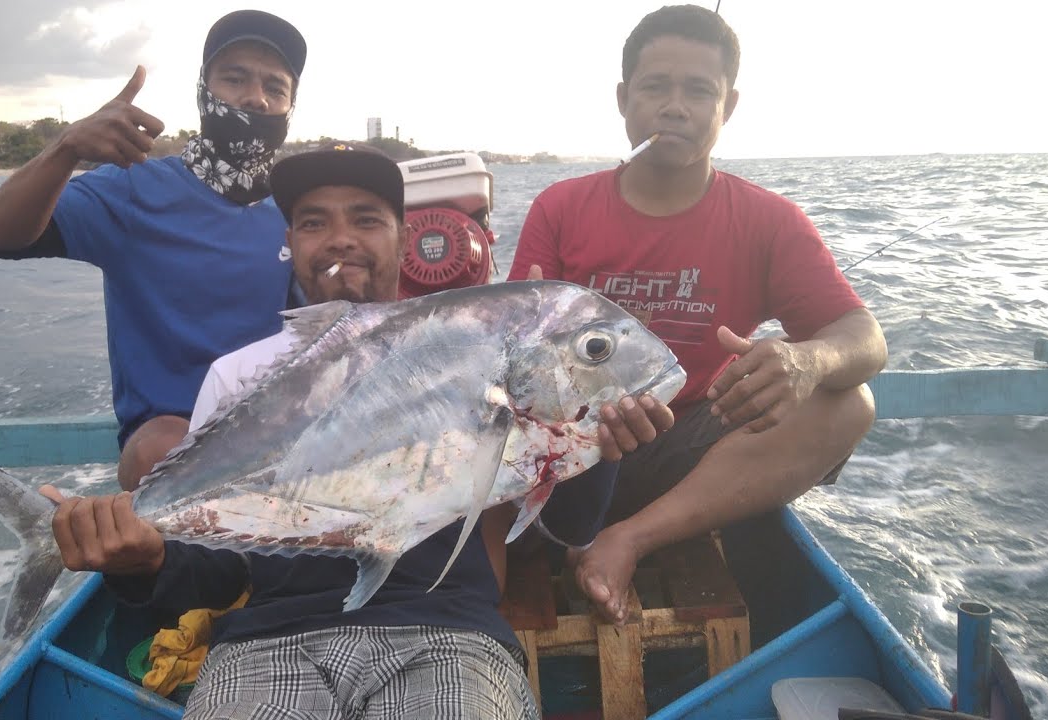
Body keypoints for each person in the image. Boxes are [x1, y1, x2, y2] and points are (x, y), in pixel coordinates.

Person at [38, 148, 632, 719]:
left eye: (367, 219)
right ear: (290, 244)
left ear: (403, 235)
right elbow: (220, 571)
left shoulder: (470, 353)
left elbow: (566, 527)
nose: (341, 238)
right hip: (268, 641)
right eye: (313, 222)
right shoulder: (239, 375)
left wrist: (602, 449)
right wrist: (143, 557)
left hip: (447, 632)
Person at [506, 4, 887, 626]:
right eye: (655, 87)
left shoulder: (769, 221)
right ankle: (560, 537)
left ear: (727, 106)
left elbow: (863, 338)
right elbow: (520, 348)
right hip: (570, 448)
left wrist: (805, 359)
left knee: (850, 401)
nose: (674, 106)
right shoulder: (560, 207)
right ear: (624, 98)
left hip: (686, 456)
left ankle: (632, 538)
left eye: (698, 90)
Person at [0, 10, 309, 491]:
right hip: (171, 454)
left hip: (287, 439)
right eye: (235, 79)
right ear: (203, 90)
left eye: (275, 88)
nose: (255, 96)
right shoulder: (133, 188)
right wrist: (66, 148)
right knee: (160, 446)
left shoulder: (300, 210)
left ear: (290, 106)